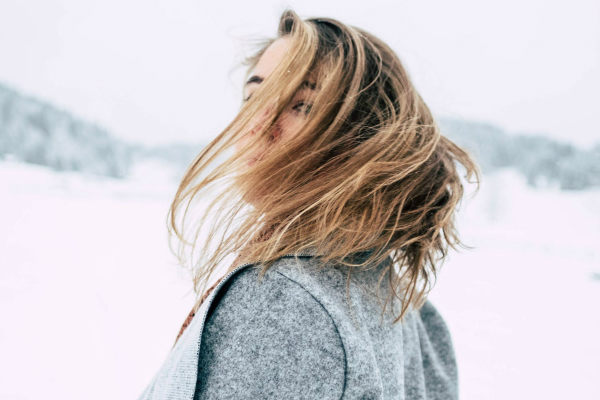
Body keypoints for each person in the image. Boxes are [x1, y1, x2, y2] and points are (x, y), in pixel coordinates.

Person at [137, 8, 481, 400]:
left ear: (367, 136)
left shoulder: (281, 302)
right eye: (254, 97)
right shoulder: (410, 310)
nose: (258, 125)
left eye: (302, 105)